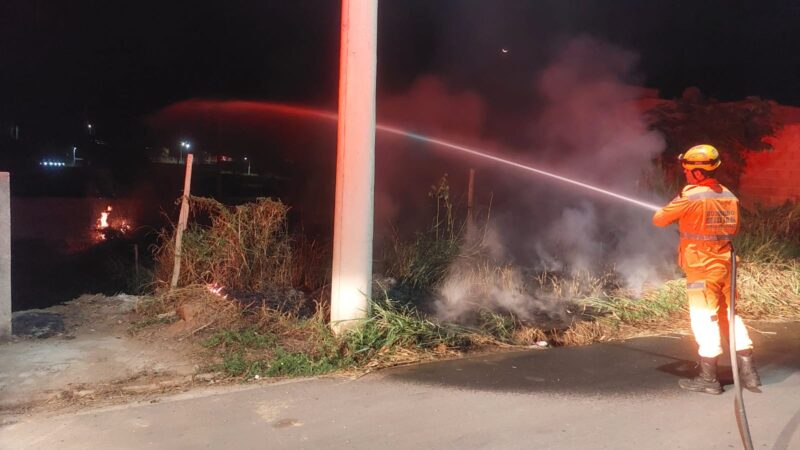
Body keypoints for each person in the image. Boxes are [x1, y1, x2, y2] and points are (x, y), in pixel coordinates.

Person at [652, 144, 761, 394]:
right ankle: (749, 373)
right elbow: (733, 230)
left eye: (688, 170)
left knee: (704, 319)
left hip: (701, 266)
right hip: (726, 263)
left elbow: (659, 219)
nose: (686, 174)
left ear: (698, 172)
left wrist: (678, 203)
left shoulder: (691, 196)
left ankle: (709, 379)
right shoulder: (728, 195)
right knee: (730, 315)